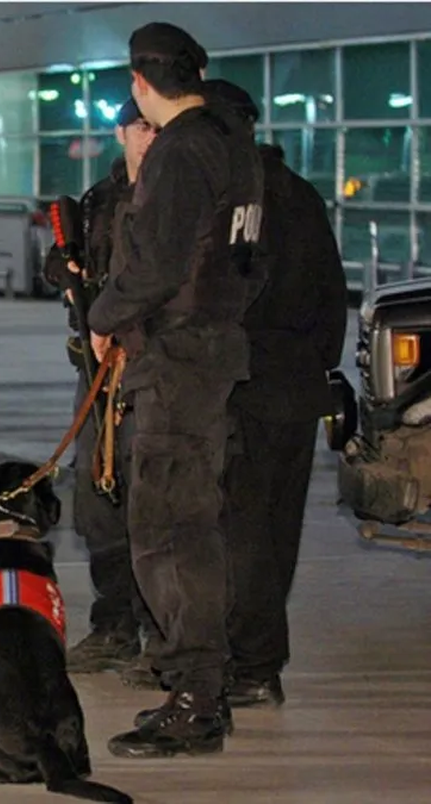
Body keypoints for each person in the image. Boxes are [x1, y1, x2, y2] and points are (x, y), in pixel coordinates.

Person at [86, 22, 265, 759]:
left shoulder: (180, 151)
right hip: (213, 351)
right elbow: (250, 264)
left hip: (178, 360)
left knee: (167, 529)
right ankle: (198, 684)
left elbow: (156, 264)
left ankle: (194, 697)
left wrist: (103, 316)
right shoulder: (235, 149)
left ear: (140, 82)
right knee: (192, 524)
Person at [203, 78, 348, 709]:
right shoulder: (301, 194)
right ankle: (261, 660)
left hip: (245, 384)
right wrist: (315, 368)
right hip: (296, 388)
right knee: (277, 528)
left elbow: (223, 295)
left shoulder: (234, 200)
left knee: (242, 530)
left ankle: (253, 663)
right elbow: (332, 295)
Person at [44, 98, 161, 688]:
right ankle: (114, 624)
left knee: (154, 505)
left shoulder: (178, 197)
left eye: (157, 126)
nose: (149, 137)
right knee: (96, 506)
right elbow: (62, 265)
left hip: (151, 373)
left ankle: (159, 632)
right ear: (121, 133)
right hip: (94, 380)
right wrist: (63, 274)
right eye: (140, 127)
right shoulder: (98, 200)